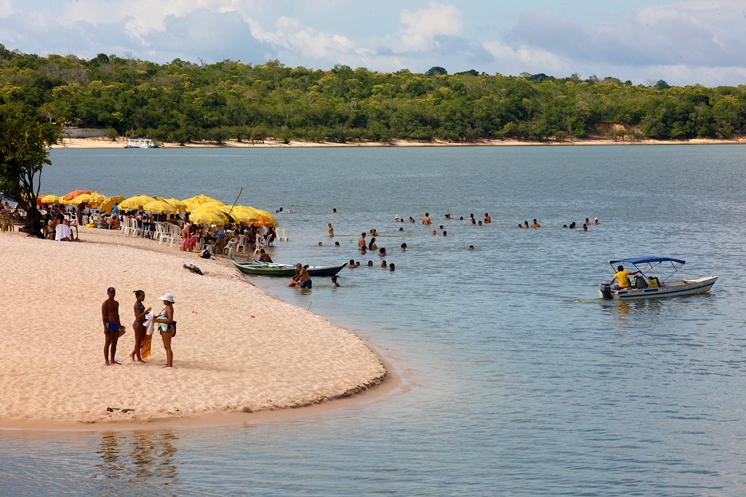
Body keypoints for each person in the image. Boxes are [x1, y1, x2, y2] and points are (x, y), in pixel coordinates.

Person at [129, 290, 151, 363]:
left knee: (142, 341)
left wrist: (149, 314)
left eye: (144, 296)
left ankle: (132, 354)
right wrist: (145, 312)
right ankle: (138, 358)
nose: (144, 297)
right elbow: (138, 317)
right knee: (138, 342)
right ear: (138, 296)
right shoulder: (137, 305)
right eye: (142, 296)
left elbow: (142, 313)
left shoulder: (140, 303)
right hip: (138, 323)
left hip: (142, 323)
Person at [155, 293, 176, 368]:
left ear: (167, 301)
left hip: (167, 328)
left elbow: (170, 320)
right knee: (166, 346)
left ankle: (169, 364)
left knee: (168, 347)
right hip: (164, 328)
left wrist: (158, 321)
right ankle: (168, 362)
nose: (163, 301)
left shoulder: (169, 308)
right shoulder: (167, 307)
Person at [102, 287, 121, 366]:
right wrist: (105, 327)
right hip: (109, 325)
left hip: (116, 324)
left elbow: (117, 314)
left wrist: (119, 324)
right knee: (107, 343)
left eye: (113, 292)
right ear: (108, 293)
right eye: (111, 293)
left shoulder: (116, 303)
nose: (112, 294)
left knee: (114, 343)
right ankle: (106, 360)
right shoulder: (105, 303)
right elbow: (104, 316)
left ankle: (112, 359)